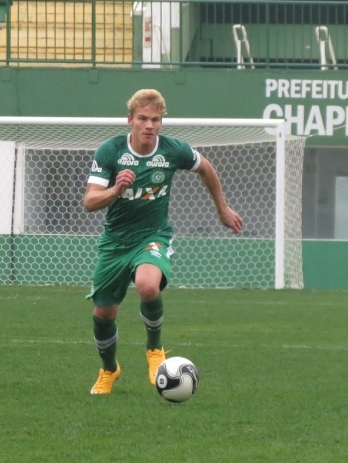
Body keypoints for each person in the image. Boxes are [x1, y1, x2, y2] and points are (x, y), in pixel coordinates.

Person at [84, 89, 242, 395]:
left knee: (147, 285)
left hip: (153, 235)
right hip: (115, 242)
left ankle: (155, 349)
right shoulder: (110, 151)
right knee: (103, 314)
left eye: (155, 119)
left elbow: (205, 168)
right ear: (129, 119)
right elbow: (90, 202)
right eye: (142, 118)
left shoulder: (173, 150)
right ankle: (108, 369)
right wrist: (116, 190)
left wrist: (222, 208)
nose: (149, 125)